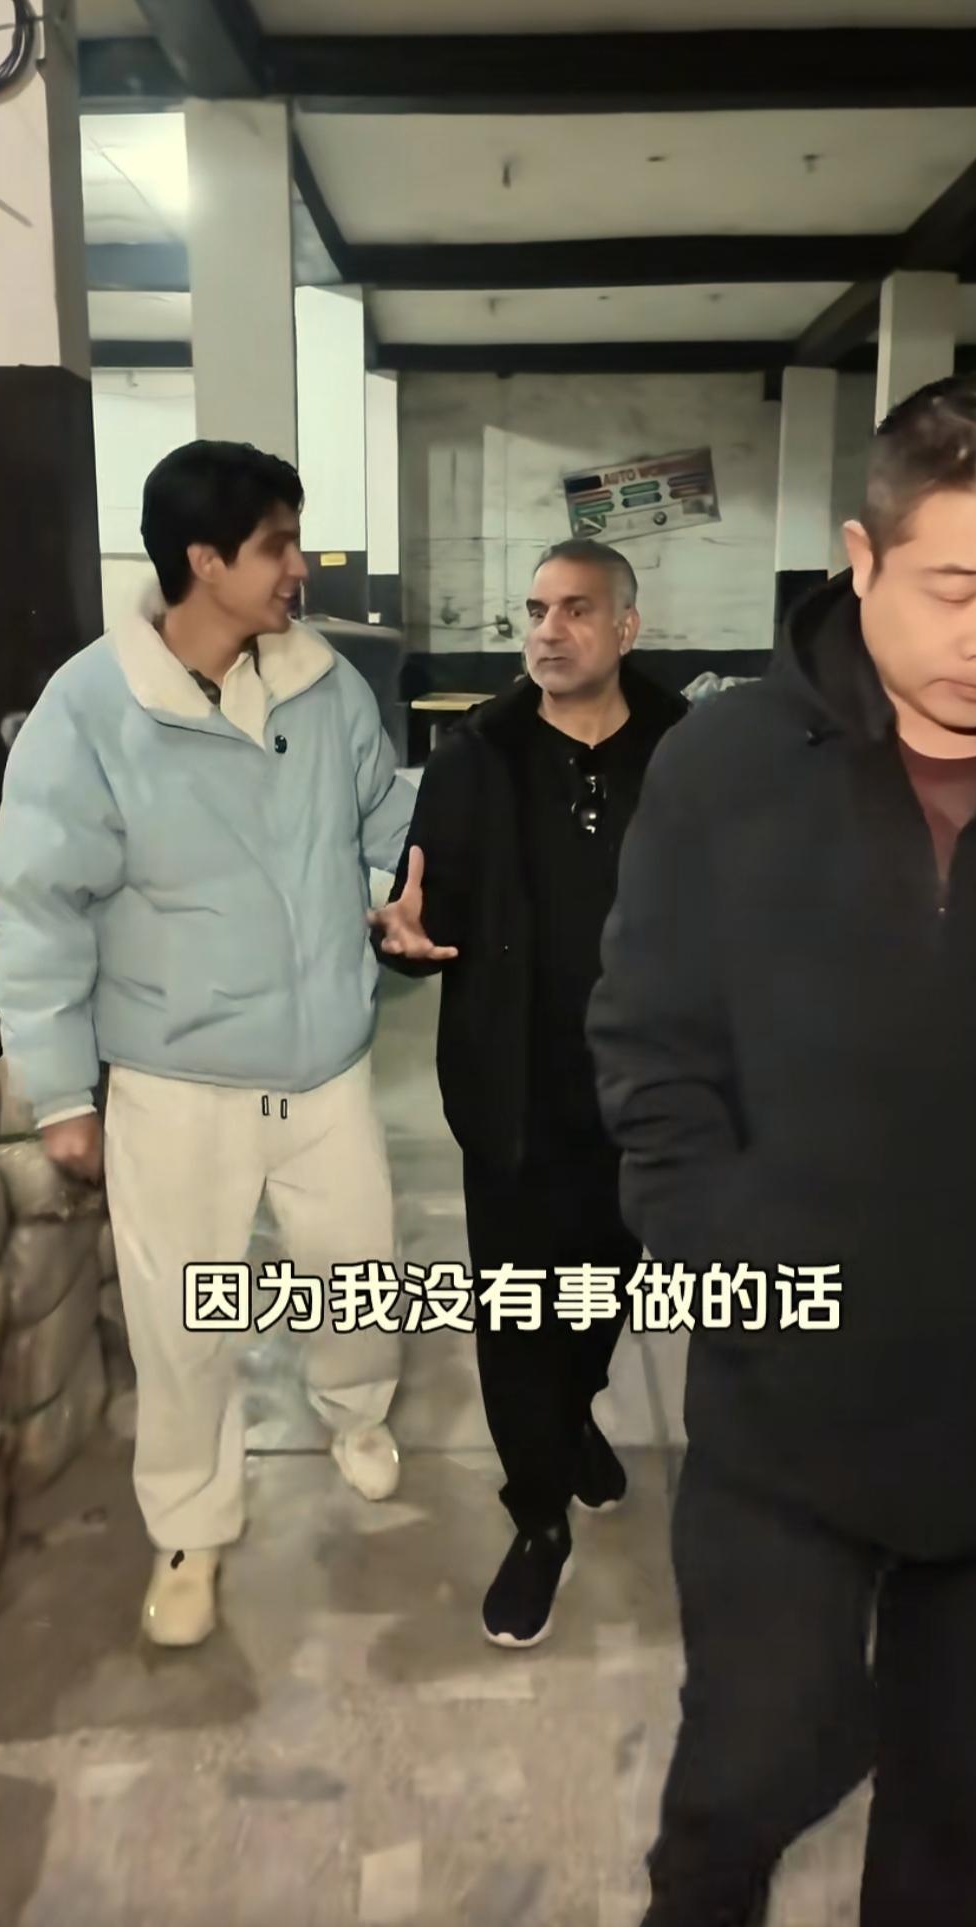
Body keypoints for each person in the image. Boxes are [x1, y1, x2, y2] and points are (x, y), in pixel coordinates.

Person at [588, 374, 976, 1927]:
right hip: (781, 1397)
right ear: (859, 558)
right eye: (953, 585)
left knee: (959, 1810)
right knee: (750, 1754)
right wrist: (727, 1263)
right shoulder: (726, 765)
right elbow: (650, 1045)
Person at [0, 440, 414, 1647]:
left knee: (356, 1268)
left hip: (324, 1064)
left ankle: (356, 1412)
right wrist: (62, 1092)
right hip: (176, 1079)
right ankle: (189, 1526)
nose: (300, 567)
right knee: (183, 1322)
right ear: (205, 560)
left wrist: (392, 890)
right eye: (277, 546)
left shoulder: (326, 685)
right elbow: (38, 908)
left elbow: (382, 816)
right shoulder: (90, 710)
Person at [370, 538, 686, 1648]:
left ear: (625, 627)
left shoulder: (685, 752)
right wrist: (401, 943)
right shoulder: (477, 756)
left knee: (603, 1285)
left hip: (641, 1089)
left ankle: (571, 1415)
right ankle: (538, 1511)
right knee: (517, 1306)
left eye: (576, 609)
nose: (548, 631)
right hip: (512, 1088)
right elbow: (425, 908)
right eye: (535, 610)